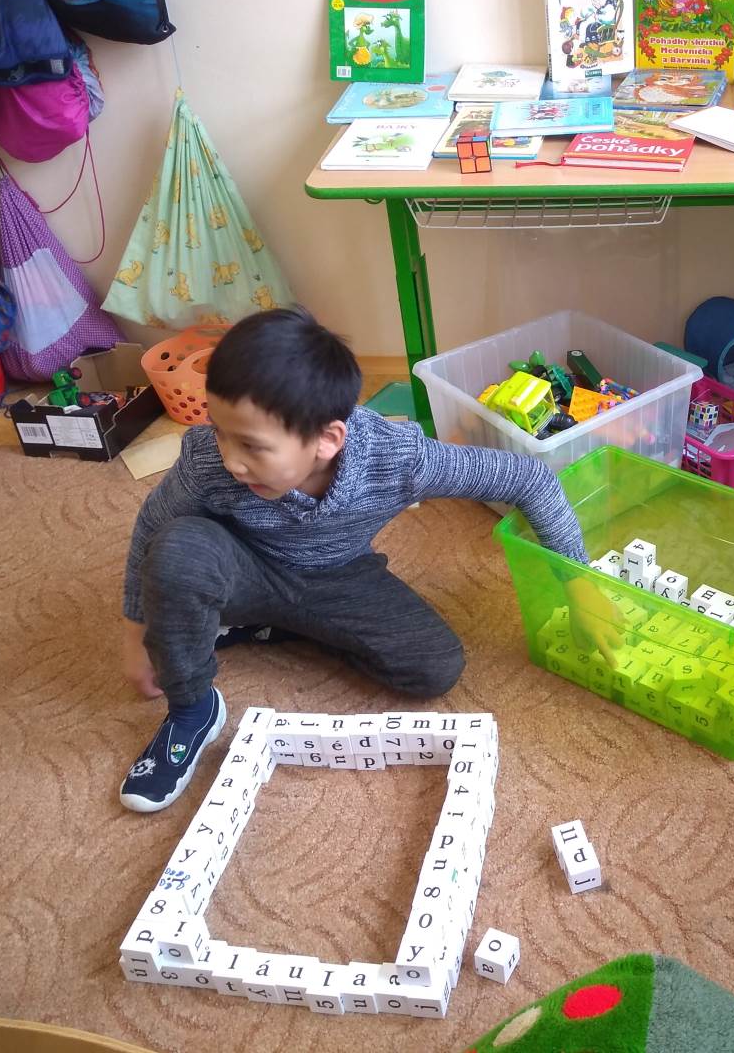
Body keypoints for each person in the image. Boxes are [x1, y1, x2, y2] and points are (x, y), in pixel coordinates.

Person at [118, 307, 617, 813]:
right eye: (219, 431)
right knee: (180, 552)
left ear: (327, 440)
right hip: (243, 570)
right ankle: (194, 711)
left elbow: (529, 479)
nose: (231, 459)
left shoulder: (397, 458)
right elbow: (152, 527)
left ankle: (268, 626)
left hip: (339, 577)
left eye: (251, 446)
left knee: (435, 667)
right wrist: (137, 631)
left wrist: (578, 581)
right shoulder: (208, 462)